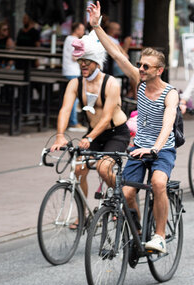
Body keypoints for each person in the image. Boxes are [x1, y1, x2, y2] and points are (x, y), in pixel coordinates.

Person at [88, 1, 179, 253]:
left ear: (159, 70)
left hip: (162, 149)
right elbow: (117, 54)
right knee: (127, 194)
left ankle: (159, 236)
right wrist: (96, 26)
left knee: (159, 183)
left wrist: (155, 149)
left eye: (146, 66)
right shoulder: (138, 82)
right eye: (140, 65)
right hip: (138, 148)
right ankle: (138, 232)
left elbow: (168, 123)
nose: (141, 69)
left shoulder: (170, 93)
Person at [50, 30, 130, 230]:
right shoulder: (75, 83)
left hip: (116, 133)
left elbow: (106, 118)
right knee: (78, 169)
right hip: (94, 132)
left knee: (104, 168)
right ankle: (83, 213)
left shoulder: (111, 83)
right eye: (80, 60)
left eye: (87, 59)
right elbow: (65, 109)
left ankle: (121, 198)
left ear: (96, 60)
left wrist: (90, 137)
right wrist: (60, 136)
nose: (83, 64)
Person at [62, 22, 87, 132]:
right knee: (74, 98)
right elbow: (74, 57)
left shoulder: (68, 39)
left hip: (68, 70)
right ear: (76, 29)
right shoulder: (75, 40)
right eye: (81, 29)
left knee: (72, 97)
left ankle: (72, 121)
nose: (83, 31)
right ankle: (73, 122)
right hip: (72, 71)